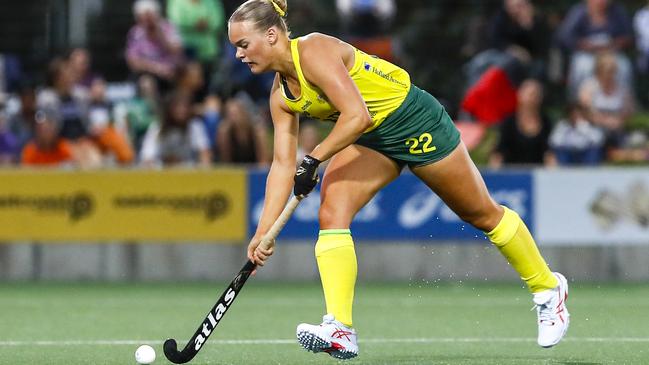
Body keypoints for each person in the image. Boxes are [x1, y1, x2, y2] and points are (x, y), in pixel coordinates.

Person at [229, 0, 570, 360]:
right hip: (373, 141)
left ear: (270, 35)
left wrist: (314, 158)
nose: (238, 55)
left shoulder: (314, 50)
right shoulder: (280, 97)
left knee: (482, 214)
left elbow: (356, 115)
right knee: (332, 212)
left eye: (243, 44)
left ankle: (548, 289)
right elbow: (282, 165)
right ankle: (340, 328)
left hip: (413, 121)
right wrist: (263, 233)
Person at [489, 79, 555, 168]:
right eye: (531, 94)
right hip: (511, 175)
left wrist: (554, 173)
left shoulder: (546, 122)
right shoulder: (508, 122)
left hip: (538, 175)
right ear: (520, 95)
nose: (533, 99)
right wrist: (494, 175)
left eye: (537, 95)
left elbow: (549, 153)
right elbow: (498, 153)